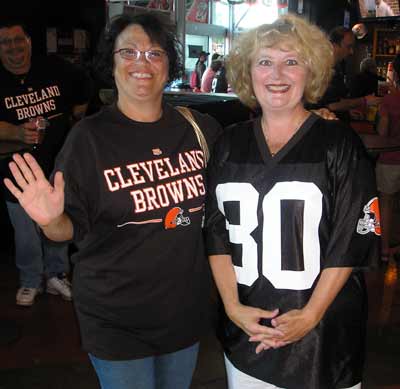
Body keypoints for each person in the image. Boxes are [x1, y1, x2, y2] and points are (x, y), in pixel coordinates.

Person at [4, 13, 221, 389]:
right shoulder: (88, 139)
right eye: (129, 52)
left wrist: (307, 119)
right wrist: (49, 220)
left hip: (183, 310)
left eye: (154, 53)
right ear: (112, 63)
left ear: (169, 64)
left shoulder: (198, 128)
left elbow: (255, 154)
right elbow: (64, 232)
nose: (142, 63)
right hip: (115, 317)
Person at [206, 14, 379, 389]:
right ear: (247, 71)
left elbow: (353, 238)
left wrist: (311, 314)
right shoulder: (228, 144)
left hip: (324, 337)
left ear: (311, 70)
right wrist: (233, 308)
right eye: (265, 61)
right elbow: (215, 233)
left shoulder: (338, 144)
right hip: (248, 331)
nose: (277, 73)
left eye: (291, 61)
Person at [0, 20, 90, 306]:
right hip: (16, 174)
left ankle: (56, 275)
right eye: (5, 42)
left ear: (28, 41)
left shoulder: (54, 69)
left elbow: (85, 86)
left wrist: (77, 116)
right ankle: (30, 280)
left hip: (56, 169)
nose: (13, 47)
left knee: (57, 224)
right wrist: (16, 132)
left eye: (18, 40)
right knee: (25, 232)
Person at [316, 26, 381, 122]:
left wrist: (347, 112)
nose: (351, 52)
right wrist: (365, 100)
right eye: (348, 47)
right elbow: (333, 105)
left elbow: (336, 102)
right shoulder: (324, 68)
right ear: (334, 45)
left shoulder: (336, 67)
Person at [376, 54, 400, 262]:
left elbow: (383, 132)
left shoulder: (390, 100)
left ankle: (383, 249)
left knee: (386, 202)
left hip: (391, 158)